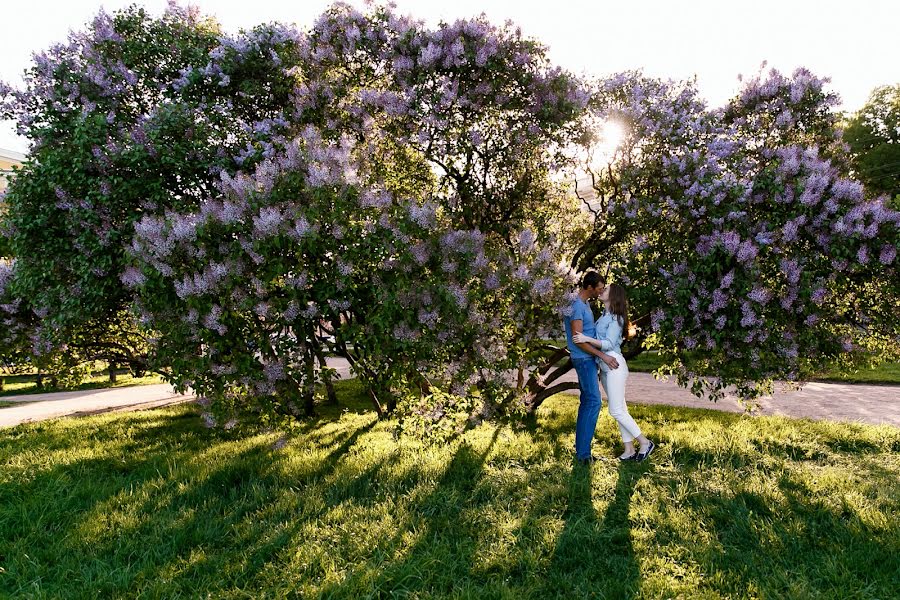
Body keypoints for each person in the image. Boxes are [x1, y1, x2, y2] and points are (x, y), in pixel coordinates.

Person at [574, 283, 655, 462]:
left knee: (615, 410)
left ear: (614, 296)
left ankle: (645, 442)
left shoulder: (616, 319)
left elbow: (609, 343)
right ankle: (629, 449)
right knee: (621, 408)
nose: (601, 291)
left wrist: (585, 338)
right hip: (604, 366)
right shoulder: (605, 315)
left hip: (614, 365)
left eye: (606, 290)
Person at [563, 271, 620, 465]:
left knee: (588, 401)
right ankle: (583, 455)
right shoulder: (577, 306)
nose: (601, 291)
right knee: (593, 402)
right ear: (590, 287)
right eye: (600, 288)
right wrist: (602, 355)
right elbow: (578, 340)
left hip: (588, 359)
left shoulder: (584, 304)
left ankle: (582, 451)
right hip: (583, 359)